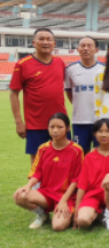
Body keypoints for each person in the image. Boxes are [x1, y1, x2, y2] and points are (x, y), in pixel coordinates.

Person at [13, 113, 83, 231]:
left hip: (67, 196)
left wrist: (63, 200)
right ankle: (42, 215)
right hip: (47, 194)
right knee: (19, 196)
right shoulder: (43, 148)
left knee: (58, 226)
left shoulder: (76, 150)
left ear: (68, 128)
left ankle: (70, 211)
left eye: (60, 127)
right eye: (52, 127)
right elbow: (37, 173)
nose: (55, 130)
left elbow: (77, 180)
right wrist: (28, 186)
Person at [10, 28, 67, 163]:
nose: (45, 42)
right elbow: (13, 94)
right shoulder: (23, 64)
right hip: (35, 124)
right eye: (41, 39)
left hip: (60, 123)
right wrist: (19, 122)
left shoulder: (60, 62)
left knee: (63, 160)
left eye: (49, 39)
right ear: (34, 43)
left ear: (54, 43)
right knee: (37, 162)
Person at [75, 118, 109, 231]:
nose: (104, 135)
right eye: (100, 131)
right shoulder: (89, 156)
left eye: (108, 131)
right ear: (95, 134)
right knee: (83, 221)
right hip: (93, 195)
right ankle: (100, 214)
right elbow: (82, 185)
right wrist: (76, 213)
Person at [64, 36, 104, 154]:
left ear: (96, 50)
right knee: (80, 154)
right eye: (83, 46)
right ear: (78, 49)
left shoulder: (104, 69)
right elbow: (69, 92)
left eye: (89, 46)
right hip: (79, 121)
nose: (86, 48)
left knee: (100, 154)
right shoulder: (70, 69)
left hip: (100, 121)